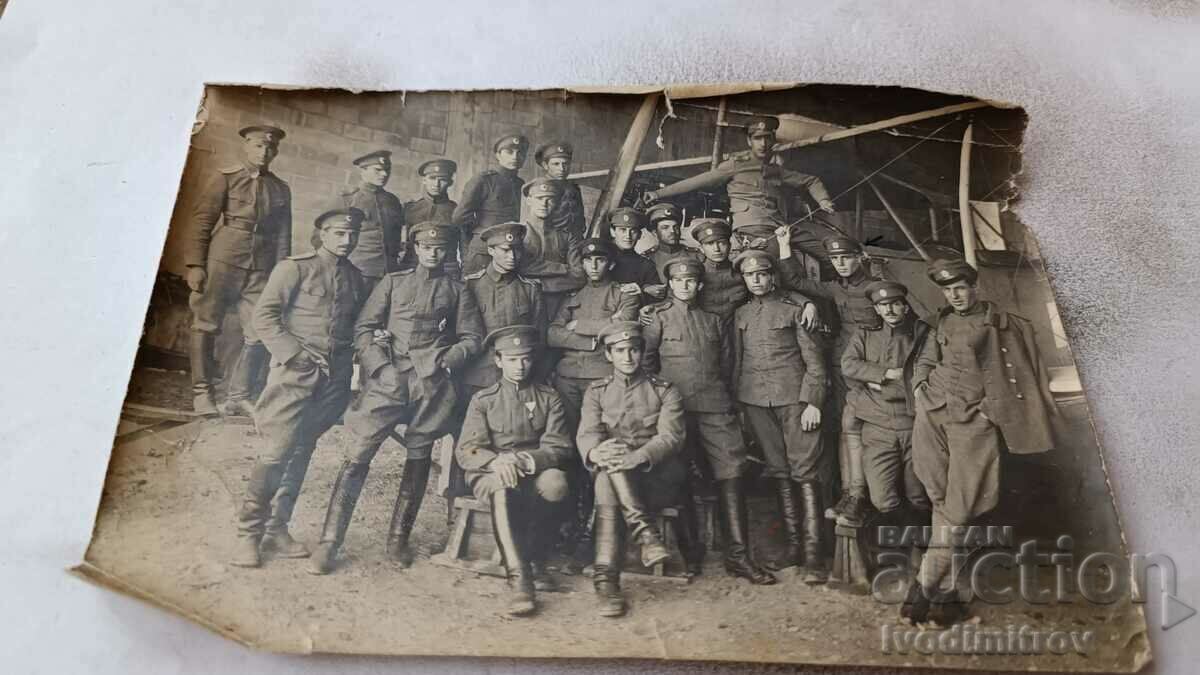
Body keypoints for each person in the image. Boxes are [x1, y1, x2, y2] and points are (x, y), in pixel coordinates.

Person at [308, 221, 485, 575]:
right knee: (358, 453)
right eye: (426, 247)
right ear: (416, 248)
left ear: (447, 251)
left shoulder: (457, 290)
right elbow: (363, 329)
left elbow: (472, 337)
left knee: (418, 457)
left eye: (439, 248)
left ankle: (398, 539)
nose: (432, 253)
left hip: (431, 386)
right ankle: (329, 542)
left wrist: (447, 361)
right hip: (389, 381)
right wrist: (379, 367)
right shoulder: (393, 282)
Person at [905, 258, 1057, 625]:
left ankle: (920, 590)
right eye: (948, 290)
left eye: (961, 288)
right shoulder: (942, 321)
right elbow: (925, 359)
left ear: (975, 287)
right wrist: (921, 389)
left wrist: (992, 411)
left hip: (973, 422)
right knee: (940, 499)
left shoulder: (1001, 325)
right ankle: (947, 600)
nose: (955, 295)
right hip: (933, 415)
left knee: (958, 510)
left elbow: (1023, 374)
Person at [230, 206, 365, 568]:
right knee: (276, 451)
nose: (347, 240)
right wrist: (294, 355)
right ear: (322, 233)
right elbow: (264, 316)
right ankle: (248, 534)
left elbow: (353, 326)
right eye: (339, 233)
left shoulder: (355, 278)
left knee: (302, 449)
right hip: (294, 375)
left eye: (352, 234)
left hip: (333, 381)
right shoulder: (295, 268)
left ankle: (277, 528)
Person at [641, 256, 750, 578]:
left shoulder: (714, 321)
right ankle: (692, 555)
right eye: (678, 280)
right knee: (679, 475)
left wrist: (728, 403)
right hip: (676, 410)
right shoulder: (658, 318)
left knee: (733, 471)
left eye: (690, 281)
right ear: (670, 284)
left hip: (715, 406)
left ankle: (739, 557)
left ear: (700, 285)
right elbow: (647, 365)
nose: (684, 285)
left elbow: (727, 366)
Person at [456, 325, 574, 617]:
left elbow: (560, 447)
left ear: (532, 360)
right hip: (491, 472)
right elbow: (468, 449)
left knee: (557, 482)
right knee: (501, 483)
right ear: (498, 361)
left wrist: (524, 460)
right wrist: (495, 462)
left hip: (533, 468)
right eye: (511, 359)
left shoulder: (549, 397)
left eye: (525, 359)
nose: (520, 366)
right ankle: (520, 580)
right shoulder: (484, 400)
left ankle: (536, 560)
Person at [731, 249, 827, 584]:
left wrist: (813, 401)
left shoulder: (795, 309)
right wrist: (740, 403)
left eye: (762, 274)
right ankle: (794, 546)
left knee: (805, 469)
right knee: (778, 469)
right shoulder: (741, 313)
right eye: (749, 275)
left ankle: (814, 555)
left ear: (773, 276)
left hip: (795, 399)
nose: (756, 280)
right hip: (755, 400)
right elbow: (738, 360)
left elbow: (814, 360)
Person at [576, 321, 684, 617]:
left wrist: (636, 457)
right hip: (615, 478)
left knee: (610, 472)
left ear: (641, 352)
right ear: (608, 355)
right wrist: (596, 451)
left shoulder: (664, 390)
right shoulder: (596, 392)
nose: (627, 357)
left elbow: (671, 438)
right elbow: (588, 433)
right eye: (620, 350)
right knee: (609, 471)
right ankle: (646, 536)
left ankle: (606, 582)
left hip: (657, 478)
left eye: (633, 350)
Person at [184, 124, 292, 416]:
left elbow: (284, 235)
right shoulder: (226, 178)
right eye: (258, 146)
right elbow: (202, 222)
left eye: (270, 147)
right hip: (222, 259)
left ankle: (237, 395)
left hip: (261, 267)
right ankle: (202, 393)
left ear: (276, 151)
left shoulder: (281, 189)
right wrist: (196, 265)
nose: (264, 152)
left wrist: (279, 274)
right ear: (246, 146)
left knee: (259, 330)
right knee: (205, 324)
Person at [546, 238, 641, 569]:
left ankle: (593, 534)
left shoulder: (624, 294)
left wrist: (578, 329)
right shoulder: (572, 296)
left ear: (610, 263)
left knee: (601, 452)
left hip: (602, 382)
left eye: (600, 260)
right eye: (588, 261)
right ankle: (567, 527)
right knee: (571, 453)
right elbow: (552, 334)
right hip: (569, 380)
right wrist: (594, 340)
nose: (594, 266)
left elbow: (623, 327)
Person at [643, 117, 834, 263]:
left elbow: (811, 180)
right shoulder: (735, 165)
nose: (763, 144)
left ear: (773, 140)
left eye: (767, 138)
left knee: (830, 253)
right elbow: (696, 182)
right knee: (784, 265)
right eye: (757, 138)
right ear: (749, 141)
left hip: (781, 225)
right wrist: (657, 194)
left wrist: (823, 200)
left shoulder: (776, 170)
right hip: (753, 228)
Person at [839, 280, 931, 525]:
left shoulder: (922, 335)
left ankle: (922, 545)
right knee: (882, 500)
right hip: (877, 426)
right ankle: (902, 541)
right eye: (883, 305)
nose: (889, 310)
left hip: (914, 424)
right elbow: (848, 365)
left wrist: (877, 384)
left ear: (905, 307)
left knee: (918, 495)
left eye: (894, 304)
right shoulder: (864, 334)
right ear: (876, 309)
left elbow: (925, 377)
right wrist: (886, 374)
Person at [811, 235, 882, 526]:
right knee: (846, 429)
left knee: (870, 433)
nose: (840, 263)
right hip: (845, 369)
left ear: (860, 257)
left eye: (846, 257)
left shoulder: (876, 288)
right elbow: (797, 281)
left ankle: (864, 496)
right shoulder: (836, 288)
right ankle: (850, 493)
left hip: (872, 369)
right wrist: (786, 242)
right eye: (835, 259)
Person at [461, 222, 547, 395]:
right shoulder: (471, 285)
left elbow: (540, 337)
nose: (512, 256)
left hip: (520, 376)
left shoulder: (530, 288)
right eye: (505, 250)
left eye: (516, 250)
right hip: (479, 377)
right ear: (491, 250)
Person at [453, 134, 528, 275]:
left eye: (520, 153)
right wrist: (481, 231)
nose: (515, 157)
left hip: (511, 251)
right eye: (509, 152)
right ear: (498, 155)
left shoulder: (521, 185)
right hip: (484, 251)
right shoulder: (483, 180)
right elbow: (459, 217)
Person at [340, 150, 406, 293]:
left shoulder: (392, 201)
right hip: (358, 271)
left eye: (387, 170)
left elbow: (397, 236)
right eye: (378, 170)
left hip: (388, 274)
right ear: (363, 170)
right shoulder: (348, 199)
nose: (384, 174)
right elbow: (321, 237)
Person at [402, 159, 458, 275]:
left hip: (446, 269)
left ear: (450, 182)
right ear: (424, 180)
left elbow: (464, 245)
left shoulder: (457, 211)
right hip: (412, 267)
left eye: (442, 179)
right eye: (432, 178)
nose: (436, 184)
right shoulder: (410, 208)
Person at [606, 207, 664, 303]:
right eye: (622, 230)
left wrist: (642, 291)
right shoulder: (601, 258)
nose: (628, 236)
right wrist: (643, 289)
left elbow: (656, 297)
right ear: (612, 232)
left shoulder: (646, 265)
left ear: (639, 235)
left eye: (633, 231)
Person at [534, 141, 586, 239]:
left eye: (565, 164)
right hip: (552, 241)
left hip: (575, 240)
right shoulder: (539, 188)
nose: (561, 169)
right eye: (556, 164)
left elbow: (580, 220)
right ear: (545, 165)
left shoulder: (574, 188)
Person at [641, 202, 702, 282]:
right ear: (655, 233)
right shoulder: (647, 258)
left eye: (675, 227)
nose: (672, 231)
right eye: (665, 228)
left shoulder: (696, 255)